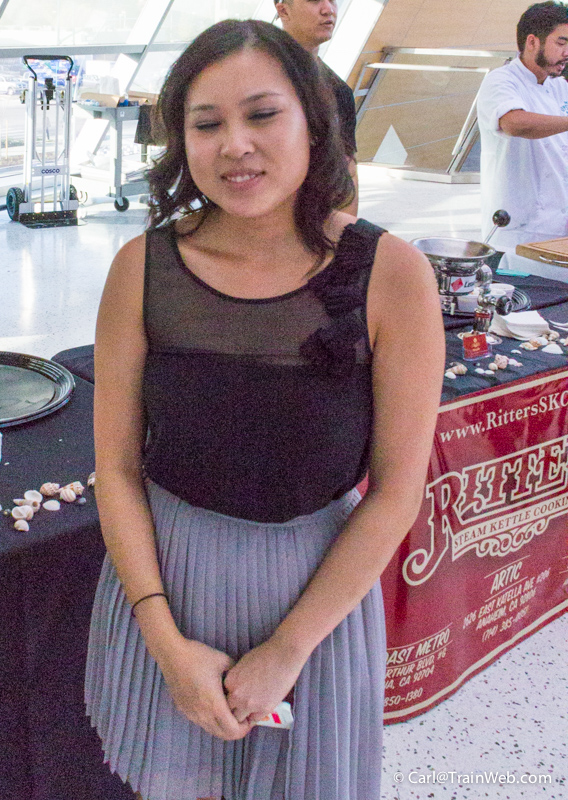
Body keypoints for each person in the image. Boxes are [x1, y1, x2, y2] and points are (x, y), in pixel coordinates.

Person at [85, 19, 444, 800]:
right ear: (180, 140)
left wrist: (287, 649)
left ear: (312, 122)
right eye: (206, 124)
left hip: (317, 595)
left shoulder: (391, 274)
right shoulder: (142, 268)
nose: (235, 146)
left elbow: (396, 491)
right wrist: (165, 643)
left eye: (261, 114)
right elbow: (114, 467)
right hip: (168, 583)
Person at [477, 1, 568, 253]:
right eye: (561, 43)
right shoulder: (501, 80)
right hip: (516, 232)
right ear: (532, 42)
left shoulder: (560, 86)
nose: (566, 52)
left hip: (559, 228)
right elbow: (515, 123)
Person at [274, 0, 359, 215]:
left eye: (332, 1)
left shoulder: (338, 91)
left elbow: (346, 168)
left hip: (310, 219)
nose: (328, 9)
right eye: (314, 0)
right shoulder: (252, 78)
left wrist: (345, 229)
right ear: (283, 10)